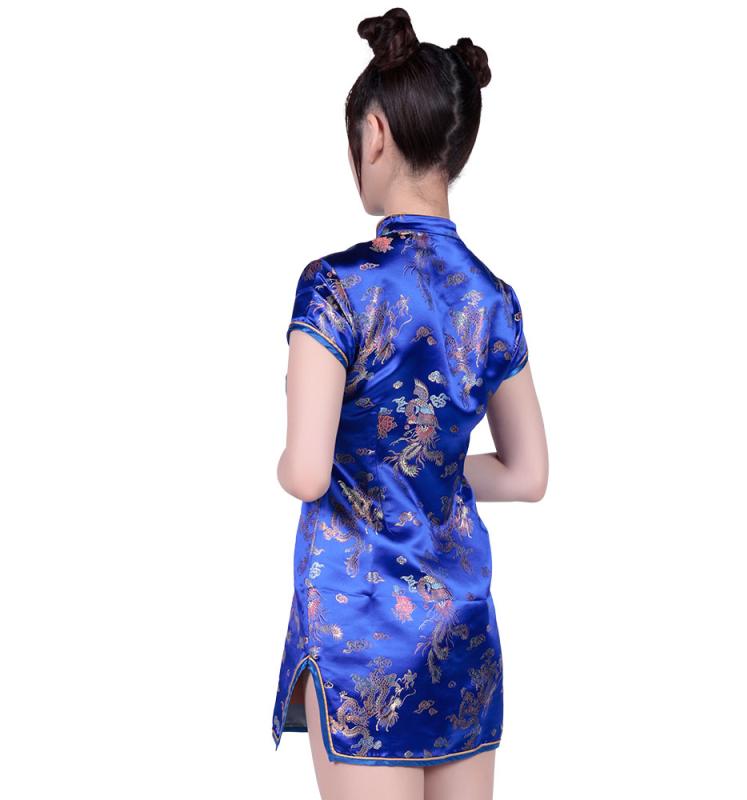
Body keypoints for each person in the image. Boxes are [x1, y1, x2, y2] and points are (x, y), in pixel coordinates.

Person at [271, 8, 548, 799]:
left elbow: (308, 473)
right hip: (462, 626)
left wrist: (291, 456)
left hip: (361, 630)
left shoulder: (336, 286)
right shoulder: (493, 299)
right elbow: (527, 475)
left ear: (376, 134)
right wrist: (424, 462)